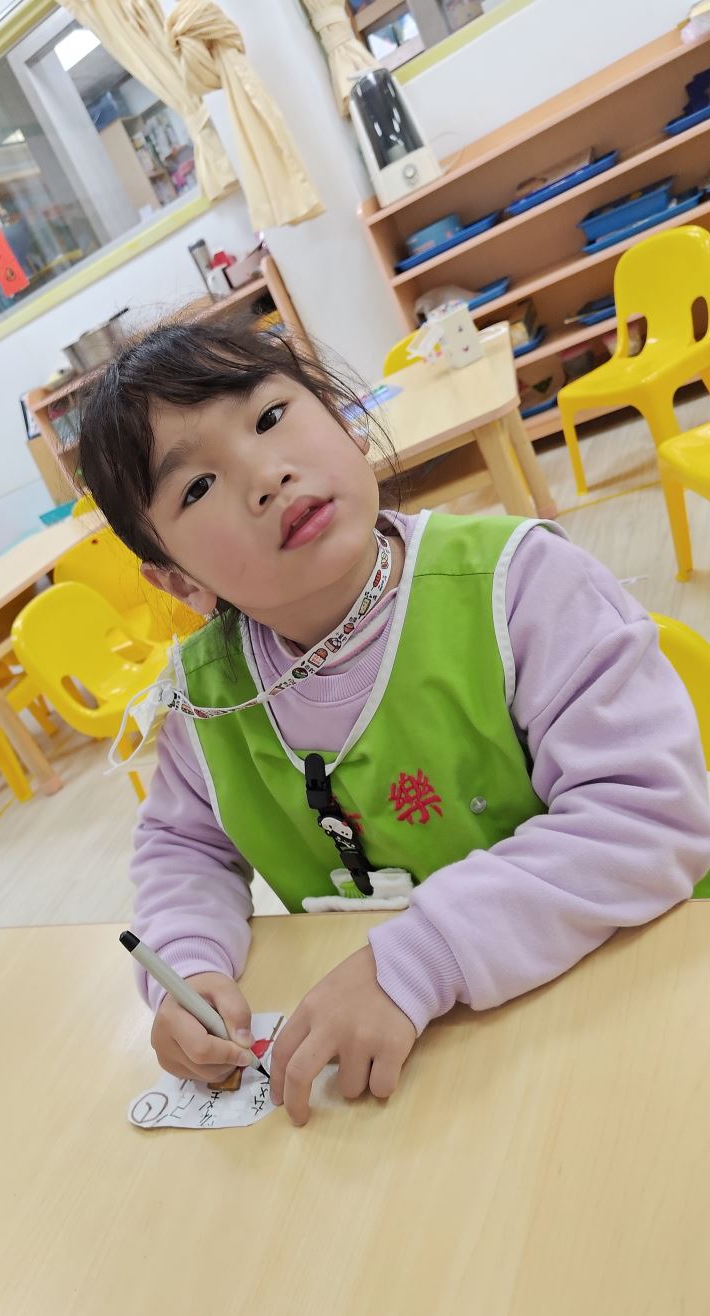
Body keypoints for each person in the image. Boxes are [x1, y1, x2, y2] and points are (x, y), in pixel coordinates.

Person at [76, 316, 710, 1127]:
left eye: (270, 416)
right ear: (177, 580)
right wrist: (188, 965)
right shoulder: (206, 700)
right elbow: (183, 847)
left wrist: (419, 957)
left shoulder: (520, 584)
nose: (266, 476)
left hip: (638, 992)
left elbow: (650, 815)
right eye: (196, 487)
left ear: (345, 421)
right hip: (434, 1076)